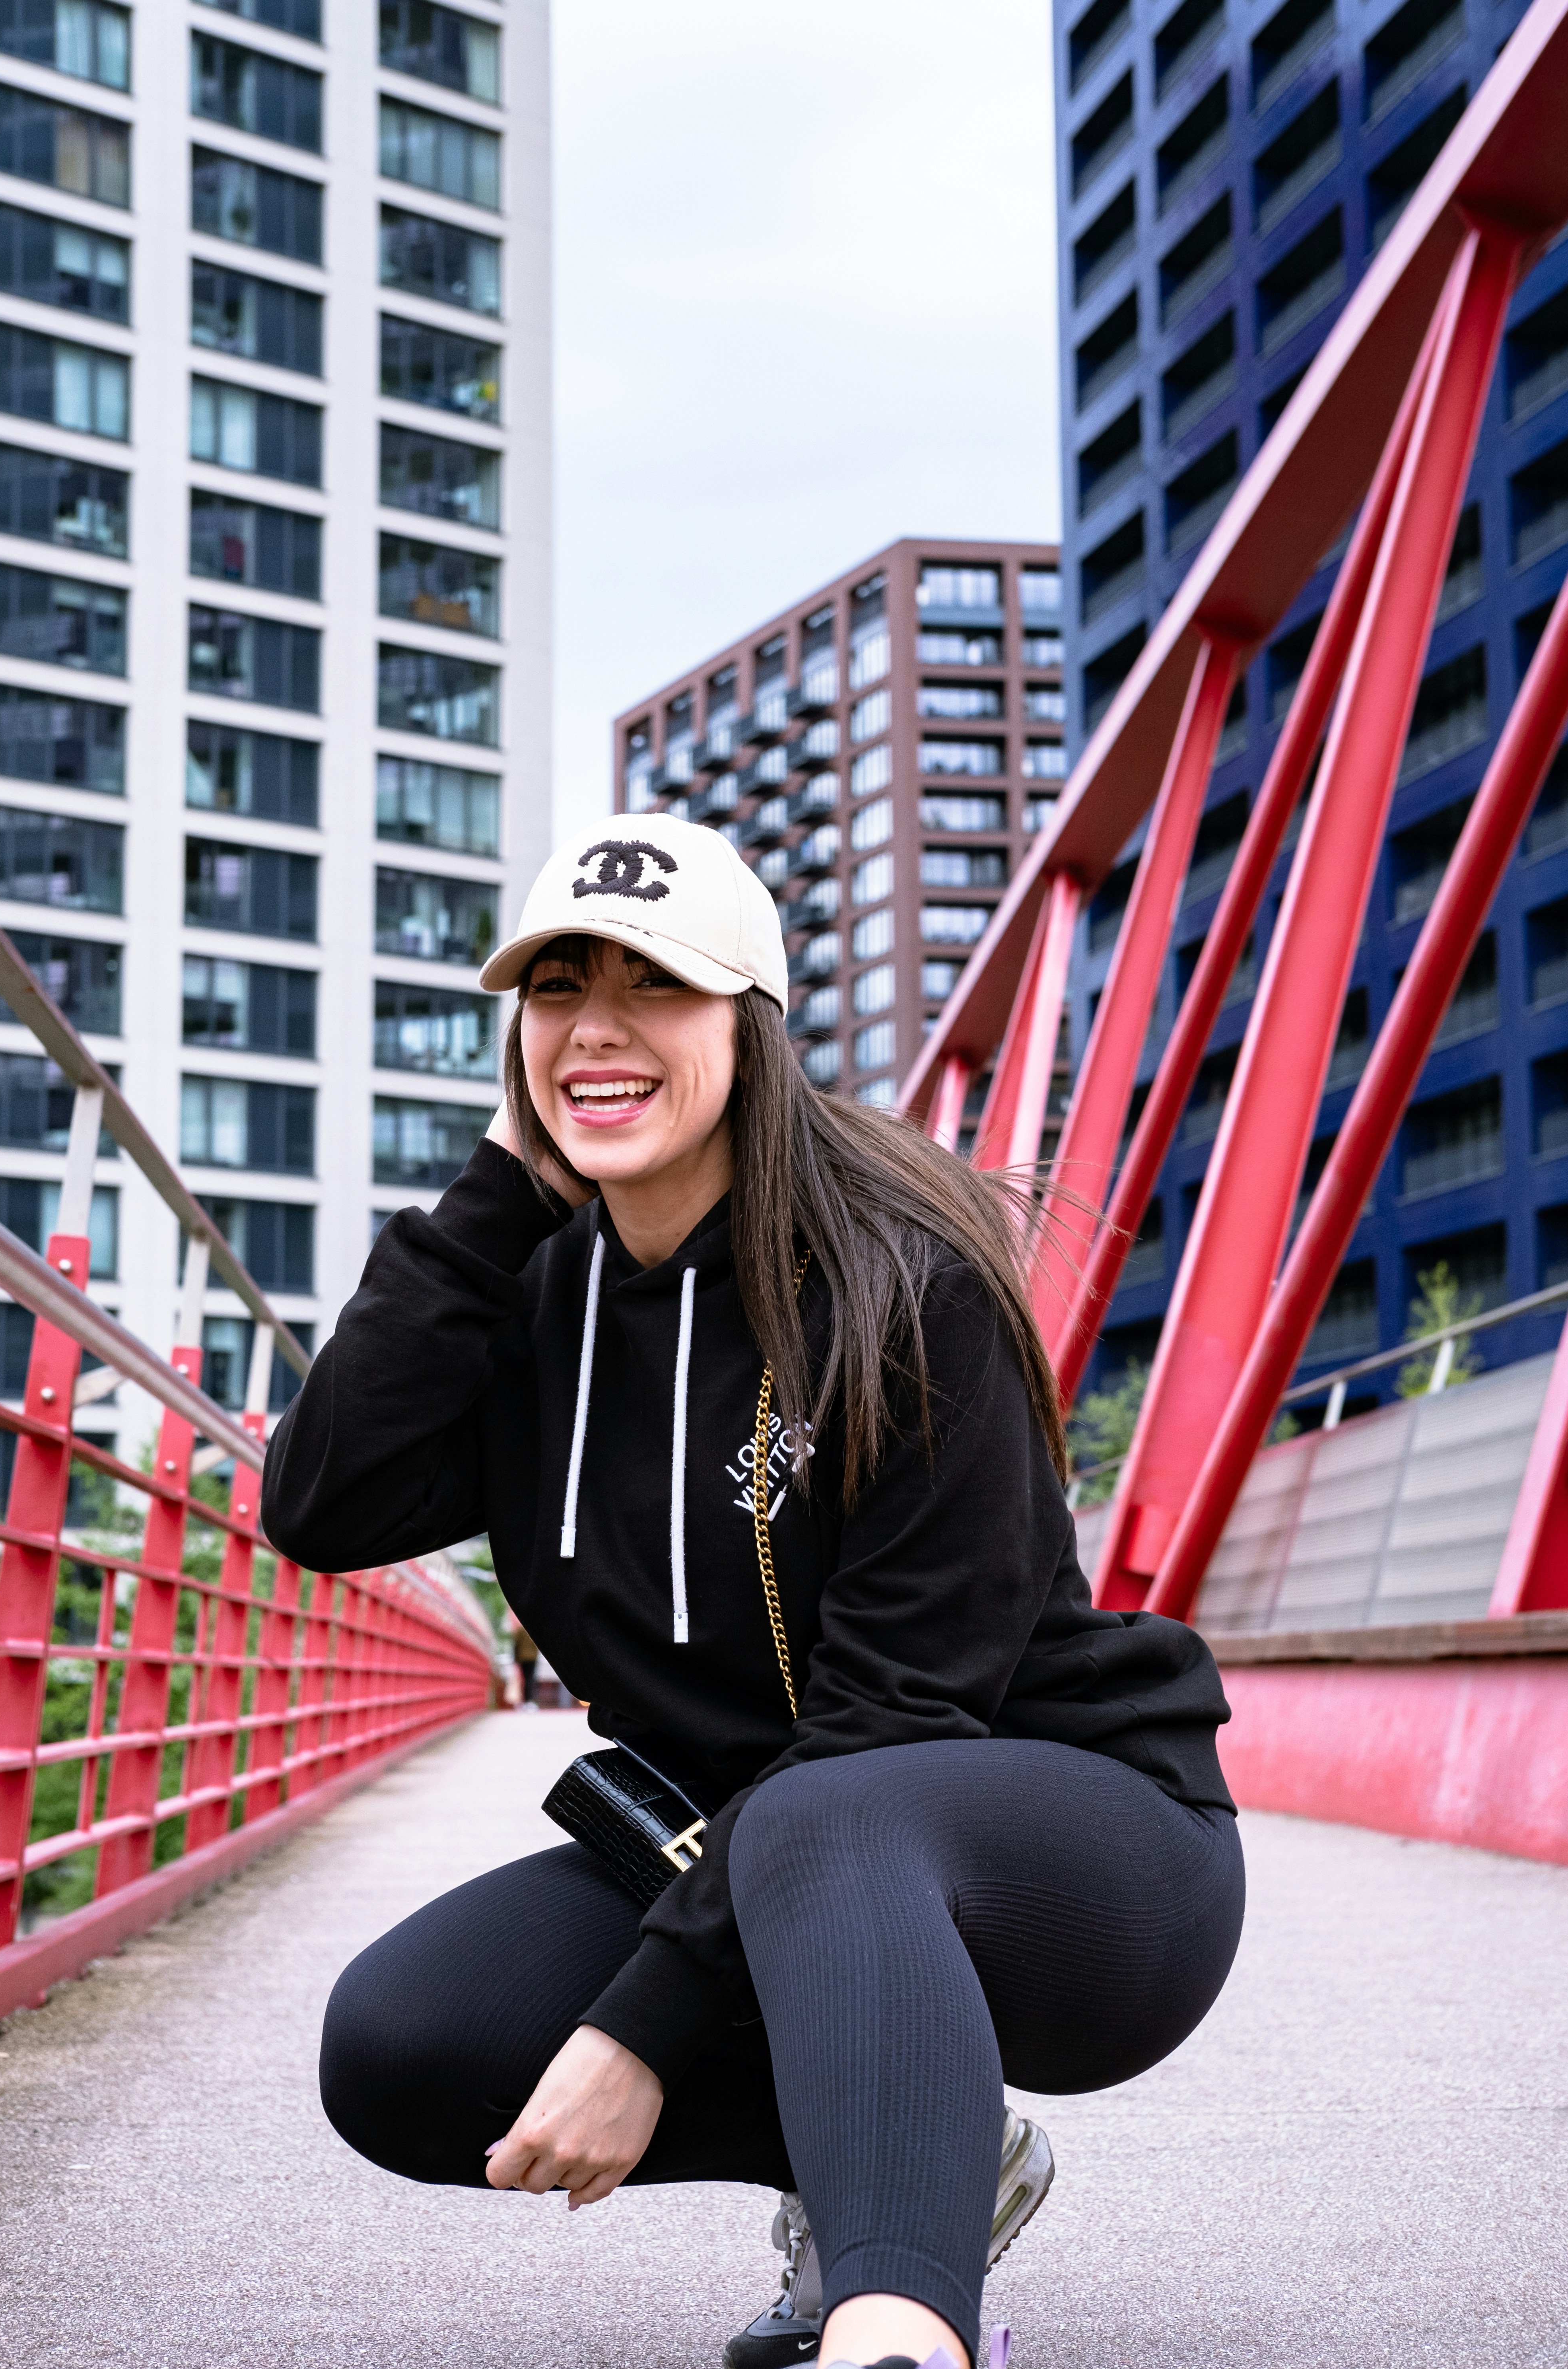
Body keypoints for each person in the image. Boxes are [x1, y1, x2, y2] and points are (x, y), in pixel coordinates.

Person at [262, 816, 1244, 2369]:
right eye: (559, 988)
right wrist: (496, 1198)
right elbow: (323, 1507)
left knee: (820, 1815)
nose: (597, 1027)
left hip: (1083, 1859)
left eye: (654, 984)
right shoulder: (536, 1300)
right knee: (401, 2046)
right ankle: (925, 2150)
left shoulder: (901, 1283)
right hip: (762, 1850)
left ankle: (894, 2330)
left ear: (749, 1026)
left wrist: (643, 2024)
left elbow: (892, 1717)